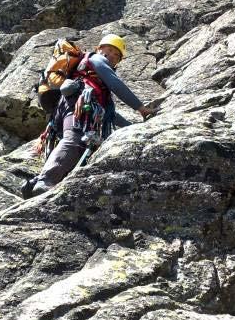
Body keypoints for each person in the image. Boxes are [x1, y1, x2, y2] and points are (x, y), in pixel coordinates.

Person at [22, 34, 154, 198]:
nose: (111, 55)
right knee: (73, 140)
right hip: (78, 106)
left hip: (70, 108)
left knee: (78, 147)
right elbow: (116, 85)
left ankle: (34, 183)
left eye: (116, 55)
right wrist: (140, 107)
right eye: (110, 50)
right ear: (100, 48)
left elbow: (109, 113)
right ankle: (46, 180)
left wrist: (131, 127)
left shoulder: (95, 81)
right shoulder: (95, 59)